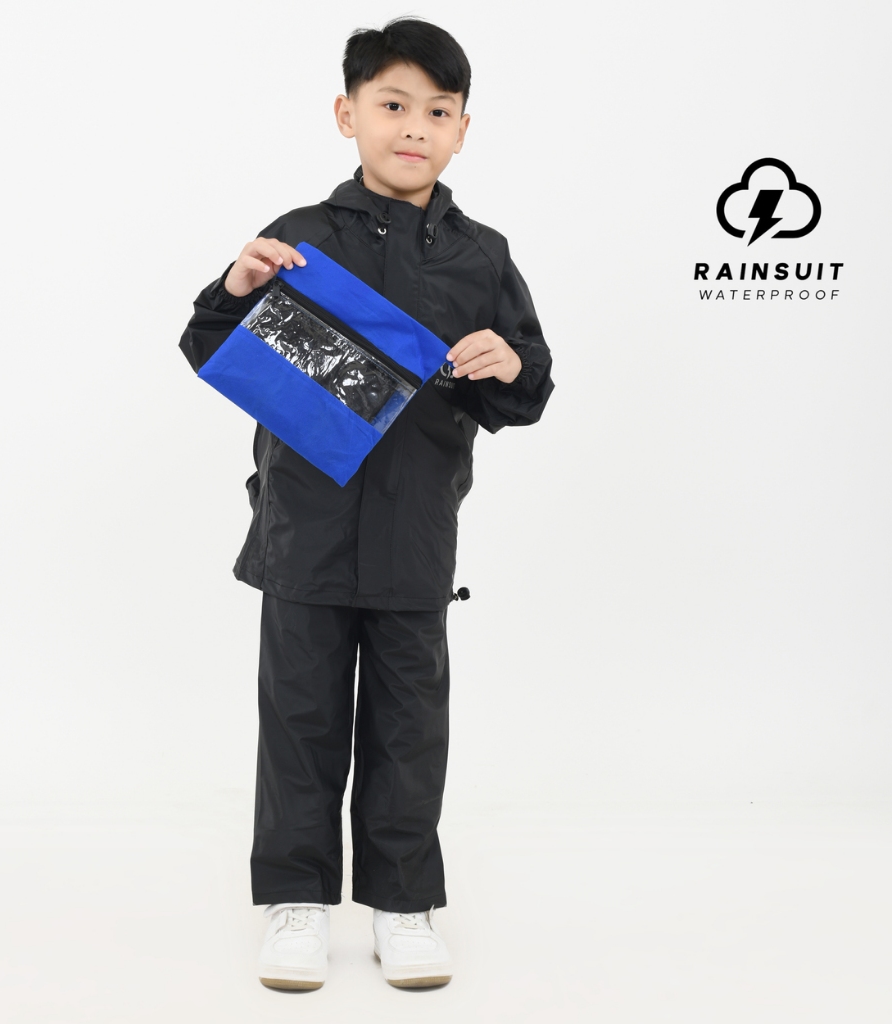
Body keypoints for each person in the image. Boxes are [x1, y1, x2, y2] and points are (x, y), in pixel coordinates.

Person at [178, 17, 553, 991]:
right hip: (303, 533)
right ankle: (295, 903)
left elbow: (529, 390)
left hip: (415, 538)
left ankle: (403, 904)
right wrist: (237, 286)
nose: (414, 126)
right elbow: (210, 344)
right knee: (299, 722)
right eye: (392, 104)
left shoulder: (481, 256)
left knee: (408, 727)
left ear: (463, 129)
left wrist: (508, 363)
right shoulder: (303, 240)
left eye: (438, 110)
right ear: (347, 115)